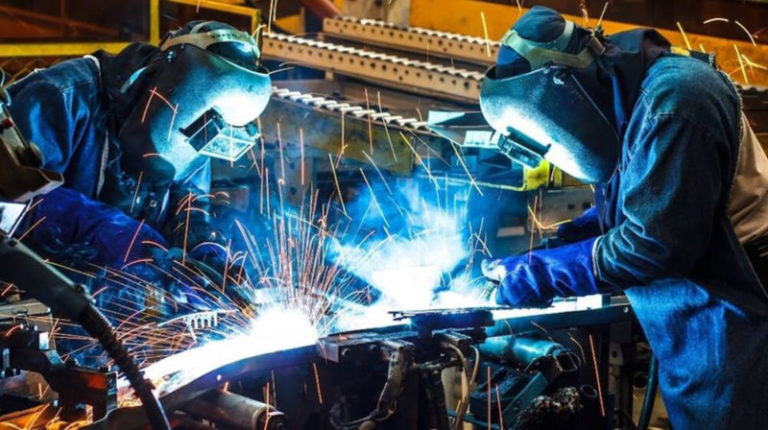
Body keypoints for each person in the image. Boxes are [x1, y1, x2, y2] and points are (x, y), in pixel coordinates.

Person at [480, 6, 768, 429]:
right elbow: (638, 200)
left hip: (743, 312)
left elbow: (651, 244)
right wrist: (555, 247)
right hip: (704, 320)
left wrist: (541, 274)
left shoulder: (677, 100)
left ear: (565, 87)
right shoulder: (627, 100)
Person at [5, 21, 272, 310]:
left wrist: (205, 251)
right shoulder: (61, 96)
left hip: (103, 304)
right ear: (168, 89)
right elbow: (14, 202)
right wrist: (116, 235)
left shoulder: (198, 130)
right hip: (24, 299)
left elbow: (189, 202)